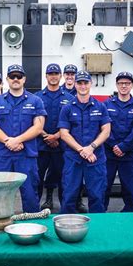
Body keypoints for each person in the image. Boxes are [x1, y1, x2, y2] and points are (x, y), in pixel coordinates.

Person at [0, 64, 46, 213]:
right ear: (7, 79)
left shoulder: (35, 101)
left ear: (24, 79)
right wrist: (8, 141)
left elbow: (38, 127)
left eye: (19, 76)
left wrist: (17, 140)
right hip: (2, 154)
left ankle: (32, 226)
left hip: (26, 155)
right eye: (12, 76)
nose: (15, 79)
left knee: (30, 192)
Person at [58, 70, 111, 213]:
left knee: (97, 196)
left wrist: (91, 147)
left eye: (85, 83)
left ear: (90, 84)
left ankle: (97, 229)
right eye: (79, 83)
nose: (82, 86)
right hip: (73, 159)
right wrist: (82, 150)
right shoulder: (67, 108)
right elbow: (64, 133)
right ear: (75, 84)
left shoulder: (100, 107)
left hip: (96, 159)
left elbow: (106, 131)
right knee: (69, 196)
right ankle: (67, 230)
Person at [35, 63, 74, 210]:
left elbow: (71, 122)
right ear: (46, 76)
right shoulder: (37, 97)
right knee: (36, 179)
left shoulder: (69, 98)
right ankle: (33, 209)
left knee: (65, 180)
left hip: (62, 147)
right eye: (50, 74)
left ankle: (66, 210)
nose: (53, 76)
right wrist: (47, 137)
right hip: (41, 146)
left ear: (61, 76)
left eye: (56, 74)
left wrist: (57, 136)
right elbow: (33, 121)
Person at [104, 72, 133, 212]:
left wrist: (123, 147)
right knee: (104, 186)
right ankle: (102, 216)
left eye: (127, 83)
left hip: (129, 155)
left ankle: (132, 214)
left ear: (132, 85)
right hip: (109, 154)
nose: (124, 86)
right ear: (116, 85)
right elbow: (104, 127)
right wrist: (114, 145)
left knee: (130, 187)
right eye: (121, 83)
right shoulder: (107, 104)